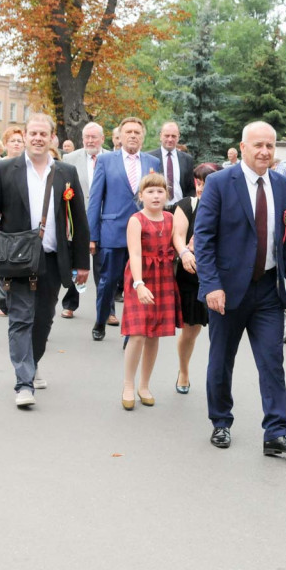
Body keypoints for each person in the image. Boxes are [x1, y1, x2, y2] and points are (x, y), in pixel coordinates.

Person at [193, 121, 286, 456]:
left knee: (272, 361)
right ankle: (220, 423)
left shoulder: (282, 185)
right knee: (221, 360)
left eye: (270, 146)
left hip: (268, 291)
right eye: (258, 145)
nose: (265, 152)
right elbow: (204, 239)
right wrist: (211, 285)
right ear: (242, 147)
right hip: (227, 292)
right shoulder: (219, 183)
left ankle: (276, 432)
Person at [0, 114, 89, 406]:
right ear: (25, 136)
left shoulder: (66, 173)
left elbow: (78, 219)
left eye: (44, 134)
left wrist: (82, 263)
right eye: (33, 133)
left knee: (43, 319)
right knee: (20, 318)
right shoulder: (4, 170)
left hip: (53, 259)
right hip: (17, 260)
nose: (38, 138)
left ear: (52, 138)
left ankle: (32, 361)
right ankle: (23, 383)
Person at [87, 117, 160, 340]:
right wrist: (92, 236)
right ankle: (100, 321)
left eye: (137, 132)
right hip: (113, 231)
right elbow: (95, 199)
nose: (133, 135)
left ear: (143, 136)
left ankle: (131, 329)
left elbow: (157, 197)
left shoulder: (152, 163)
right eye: (128, 131)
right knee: (108, 281)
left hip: (144, 234)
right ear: (120, 136)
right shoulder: (106, 160)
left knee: (138, 282)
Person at [120, 173, 188, 409]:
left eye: (160, 191)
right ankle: (129, 384)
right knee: (138, 334)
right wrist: (139, 284)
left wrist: (188, 253)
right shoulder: (136, 220)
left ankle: (144, 385)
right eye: (150, 191)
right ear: (141, 196)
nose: (156, 195)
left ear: (166, 195)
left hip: (164, 278)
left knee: (154, 334)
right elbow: (135, 254)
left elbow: (179, 242)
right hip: (141, 278)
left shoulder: (170, 218)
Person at [171, 162, 219, 394]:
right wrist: (185, 252)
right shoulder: (187, 205)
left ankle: (218, 380)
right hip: (190, 275)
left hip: (219, 276)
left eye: (206, 183)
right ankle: (184, 370)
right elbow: (178, 236)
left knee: (219, 333)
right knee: (190, 331)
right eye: (198, 182)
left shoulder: (227, 209)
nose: (200, 188)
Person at [60, 121, 106, 318]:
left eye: (94, 137)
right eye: (86, 137)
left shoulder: (111, 158)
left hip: (104, 219)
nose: (89, 140)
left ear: (102, 139)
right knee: (76, 262)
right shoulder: (70, 158)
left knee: (103, 267)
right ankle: (70, 304)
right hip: (76, 217)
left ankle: (107, 309)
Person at [145, 121, 195, 205]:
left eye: (173, 136)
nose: (170, 139)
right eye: (167, 136)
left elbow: (190, 188)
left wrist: (186, 208)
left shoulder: (187, 159)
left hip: (180, 209)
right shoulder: (149, 158)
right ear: (161, 136)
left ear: (178, 137)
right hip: (156, 208)